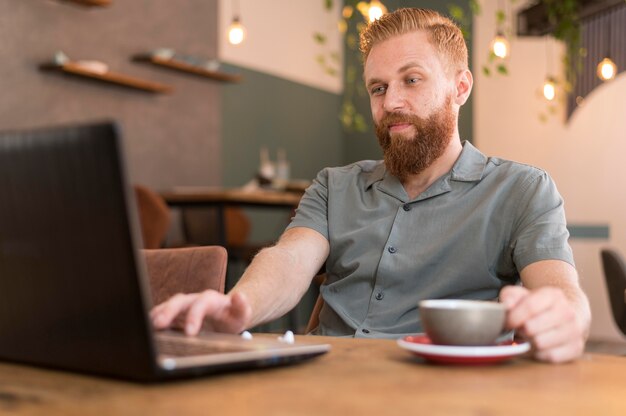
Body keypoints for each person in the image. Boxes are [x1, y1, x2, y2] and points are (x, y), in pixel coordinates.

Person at [151, 8, 590, 363]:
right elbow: (290, 260)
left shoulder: (522, 190)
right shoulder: (334, 185)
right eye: (378, 88)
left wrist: (565, 319)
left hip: (444, 390)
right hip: (324, 382)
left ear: (460, 87)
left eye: (411, 80)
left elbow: (562, 294)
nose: (392, 102)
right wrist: (240, 305)